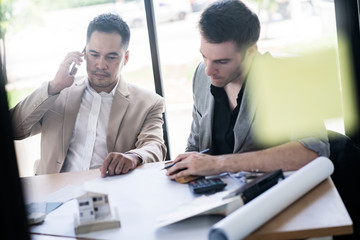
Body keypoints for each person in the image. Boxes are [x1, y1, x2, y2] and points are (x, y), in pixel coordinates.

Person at [166, 0, 330, 180]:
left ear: (251, 52)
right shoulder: (201, 74)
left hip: (274, 196)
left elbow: (314, 151)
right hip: (215, 197)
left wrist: (219, 163)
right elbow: (196, 145)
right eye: (205, 57)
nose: (209, 70)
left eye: (222, 61)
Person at [10, 13, 166, 177]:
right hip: (54, 194)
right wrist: (54, 86)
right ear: (83, 53)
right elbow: (13, 129)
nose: (101, 65)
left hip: (111, 195)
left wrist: (134, 157)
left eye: (111, 57)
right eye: (94, 54)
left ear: (125, 58)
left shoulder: (149, 103)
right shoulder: (57, 91)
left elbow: (155, 147)